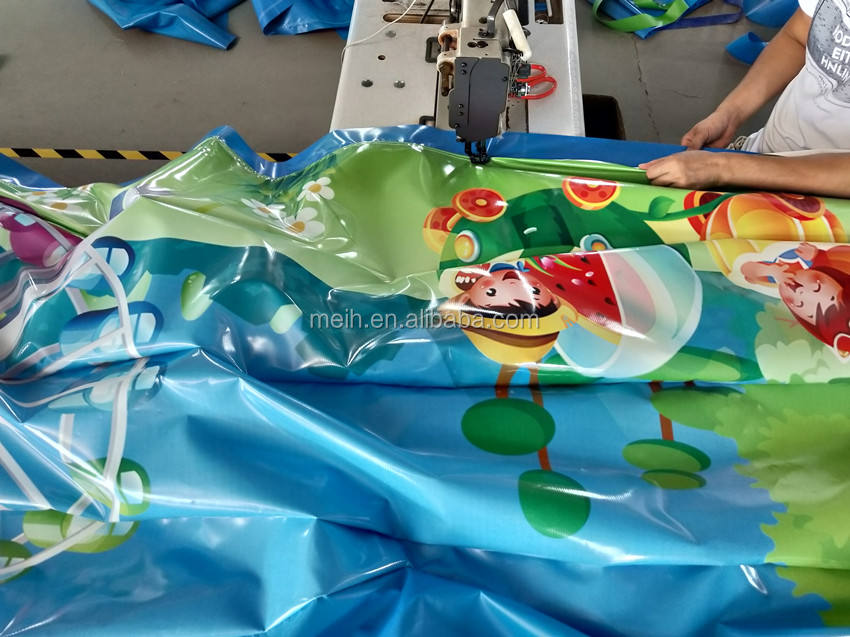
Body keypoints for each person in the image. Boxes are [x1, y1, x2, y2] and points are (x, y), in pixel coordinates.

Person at [639, 1, 850, 198]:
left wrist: (724, 167)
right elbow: (798, 36)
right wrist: (731, 114)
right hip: (762, 155)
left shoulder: (729, 167)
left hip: (829, 202)